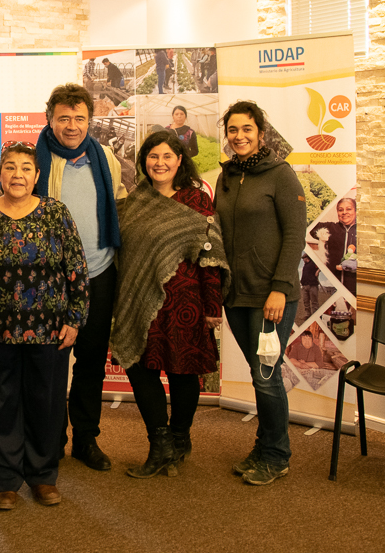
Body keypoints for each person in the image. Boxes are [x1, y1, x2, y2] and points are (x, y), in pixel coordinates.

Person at [0, 84, 127, 470]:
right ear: (49, 119)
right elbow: (10, 194)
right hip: (48, 284)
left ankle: (86, 439)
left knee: (89, 363)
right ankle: (49, 440)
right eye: (63, 118)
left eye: (80, 118)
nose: (72, 126)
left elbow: (118, 204)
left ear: (90, 120)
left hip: (99, 273)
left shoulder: (105, 157)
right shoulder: (35, 158)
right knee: (49, 369)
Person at [0, 142, 89, 510]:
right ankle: (5, 480)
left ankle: (42, 476)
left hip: (49, 329)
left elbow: (76, 269)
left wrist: (75, 318)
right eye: (10, 167)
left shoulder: (56, 214)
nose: (18, 175)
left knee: (47, 403)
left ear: (37, 175)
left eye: (26, 168)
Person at [111, 132, 229, 479]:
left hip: (185, 301)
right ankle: (160, 441)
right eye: (152, 157)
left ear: (180, 159)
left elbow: (210, 257)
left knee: (182, 371)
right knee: (138, 367)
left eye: (166, 156)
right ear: (144, 161)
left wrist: (212, 307)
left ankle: (179, 437)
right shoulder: (136, 199)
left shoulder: (196, 201)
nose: (159, 163)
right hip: (142, 298)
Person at [214, 100, 307, 486]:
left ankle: (277, 455)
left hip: (271, 297)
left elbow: (295, 234)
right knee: (259, 374)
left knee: (266, 376)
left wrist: (281, 289)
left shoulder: (281, 175)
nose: (239, 137)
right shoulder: (226, 176)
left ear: (260, 134)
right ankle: (265, 444)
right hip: (236, 294)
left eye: (246, 130)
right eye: (233, 130)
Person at [326, 197, 357, 292]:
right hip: (333, 285)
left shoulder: (363, 230)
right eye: (340, 210)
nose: (344, 212)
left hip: (354, 288)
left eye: (349, 209)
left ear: (356, 211)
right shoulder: (331, 227)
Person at [300, 253, 321, 319]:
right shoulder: (305, 266)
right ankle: (307, 315)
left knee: (314, 302)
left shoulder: (314, 263)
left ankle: (315, 316)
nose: (303, 260)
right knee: (306, 301)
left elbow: (322, 265)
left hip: (313, 286)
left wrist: (318, 271)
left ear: (307, 258)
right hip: (305, 286)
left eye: (304, 258)